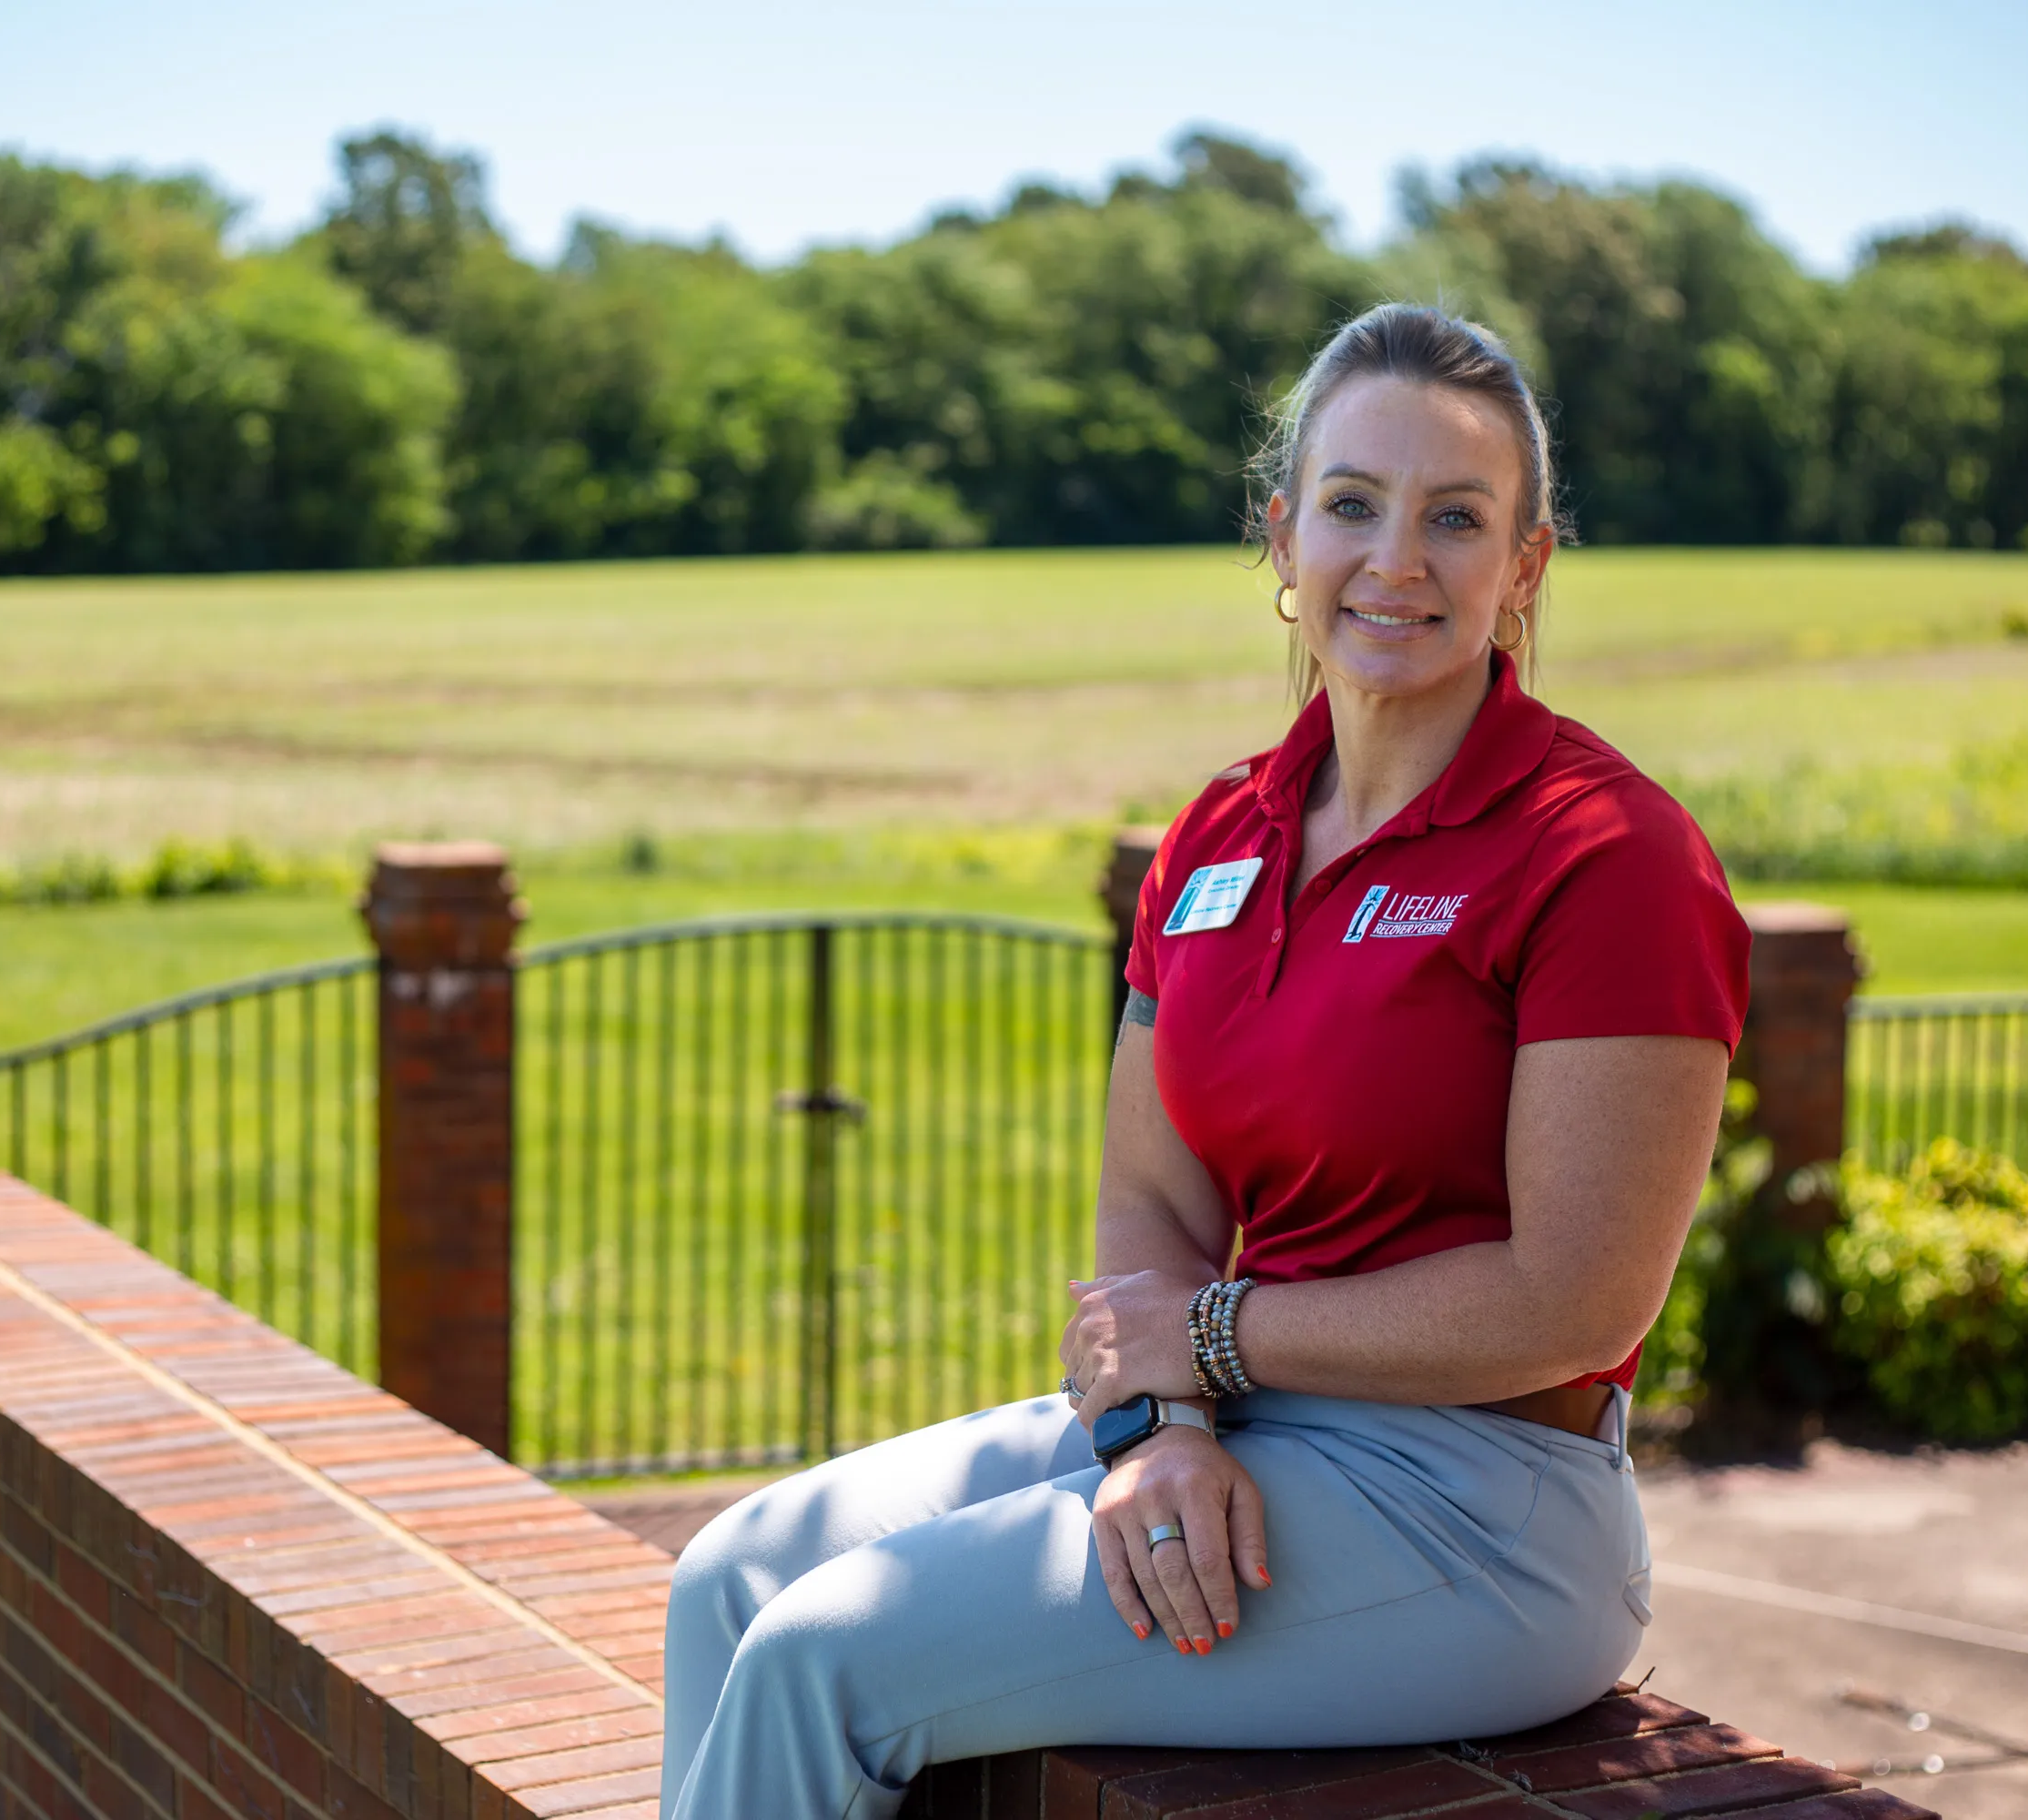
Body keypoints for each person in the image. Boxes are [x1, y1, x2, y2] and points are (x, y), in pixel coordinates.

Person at [659, 302, 1751, 1820]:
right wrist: (1160, 1430)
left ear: (1527, 564)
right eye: (1352, 505)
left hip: (1488, 1510)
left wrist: (1216, 1346)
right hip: (1238, 1428)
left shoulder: (1608, 851)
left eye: (1457, 518)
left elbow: (1574, 1303)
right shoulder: (1221, 833)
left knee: (821, 1658)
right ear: (1280, 536)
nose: (1398, 560)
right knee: (731, 1576)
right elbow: (1147, 1197)